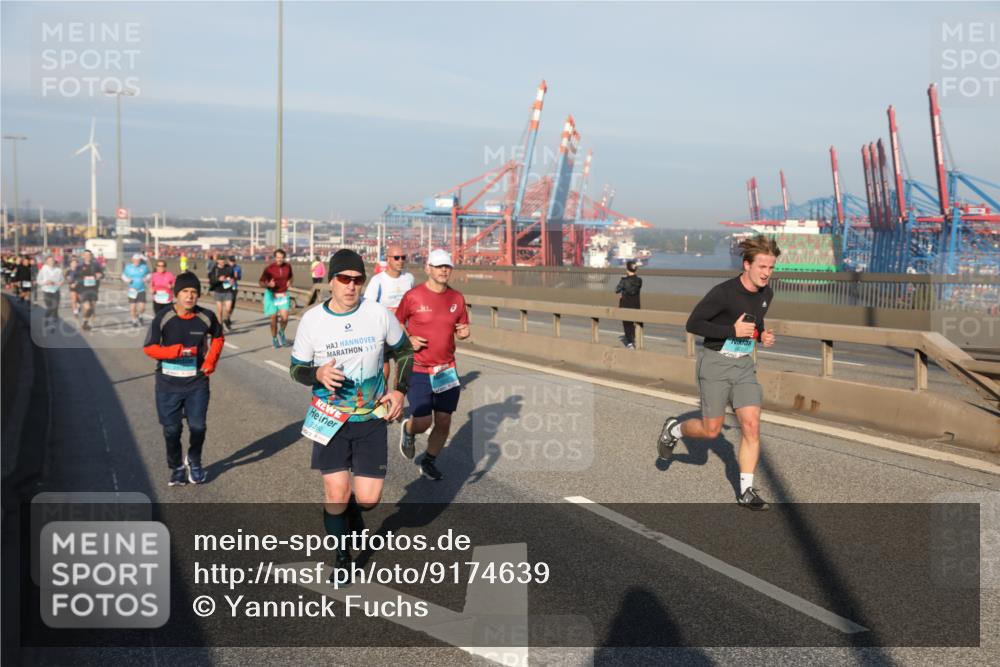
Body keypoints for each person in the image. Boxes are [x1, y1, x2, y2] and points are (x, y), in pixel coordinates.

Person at [289, 249, 412, 578]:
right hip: (329, 418)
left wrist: (400, 390)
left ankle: (353, 512)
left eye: (358, 280)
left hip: (370, 418)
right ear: (331, 281)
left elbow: (404, 351)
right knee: (336, 492)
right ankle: (342, 557)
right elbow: (296, 369)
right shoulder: (312, 320)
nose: (351, 285)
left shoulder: (378, 314)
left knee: (369, 499)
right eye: (344, 279)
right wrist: (317, 374)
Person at [657, 235, 780, 511]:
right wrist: (731, 331)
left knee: (751, 425)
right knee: (711, 431)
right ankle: (674, 429)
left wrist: (762, 336)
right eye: (762, 267)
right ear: (746, 264)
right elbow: (693, 324)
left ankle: (746, 491)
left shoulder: (766, 294)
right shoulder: (723, 293)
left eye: (771, 268)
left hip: (744, 365)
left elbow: (755, 325)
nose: (766, 273)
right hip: (715, 363)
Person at [143, 272, 224, 486]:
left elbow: (218, 337)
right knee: (172, 430)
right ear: (176, 294)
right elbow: (149, 348)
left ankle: (194, 460)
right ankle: (177, 467)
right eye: (185, 291)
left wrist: (211, 361)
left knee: (198, 427)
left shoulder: (206, 316)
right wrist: (175, 351)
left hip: (196, 381)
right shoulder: (163, 317)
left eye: (194, 292)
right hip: (168, 383)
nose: (190, 296)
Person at [395, 249, 470, 481]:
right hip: (419, 368)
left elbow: (462, 326)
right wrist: (408, 339)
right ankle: (409, 429)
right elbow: (396, 322)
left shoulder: (456, 298)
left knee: (444, 421)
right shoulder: (413, 296)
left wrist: (464, 332)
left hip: (446, 369)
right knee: (423, 421)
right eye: (438, 266)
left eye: (447, 266)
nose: (443, 270)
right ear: (428, 268)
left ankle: (429, 461)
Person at [365, 244, 415, 383]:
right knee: (384, 371)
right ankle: (383, 393)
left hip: (403, 330)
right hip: (383, 330)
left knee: (403, 369)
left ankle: (398, 392)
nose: (401, 261)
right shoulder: (377, 280)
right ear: (388, 259)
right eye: (396, 258)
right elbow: (368, 306)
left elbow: (413, 302)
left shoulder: (409, 278)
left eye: (403, 257)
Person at [259, 248, 294, 348]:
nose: (279, 259)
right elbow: (260, 282)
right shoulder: (269, 269)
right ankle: (274, 338)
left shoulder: (288, 266)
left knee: (285, 318)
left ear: (284, 258)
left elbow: (291, 277)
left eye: (281, 257)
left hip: (283, 294)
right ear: (275, 257)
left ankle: (281, 332)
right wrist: (268, 284)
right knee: (273, 319)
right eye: (278, 257)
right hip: (271, 295)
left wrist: (290, 282)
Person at [616, 260, 642, 349]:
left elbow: (617, 290)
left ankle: (630, 342)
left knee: (627, 324)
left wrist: (623, 289)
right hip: (636, 304)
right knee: (636, 322)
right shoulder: (639, 280)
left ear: (627, 269)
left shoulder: (623, 280)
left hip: (625, 304)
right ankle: (636, 338)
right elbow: (633, 291)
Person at [76, 250, 104, 332]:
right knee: (87, 307)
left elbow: (102, 274)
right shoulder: (79, 266)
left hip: (94, 289)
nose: (87, 256)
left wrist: (100, 275)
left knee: (92, 308)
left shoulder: (96, 265)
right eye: (86, 255)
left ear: (91, 256)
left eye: (89, 255)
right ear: (83, 256)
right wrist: (83, 278)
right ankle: (86, 321)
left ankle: (86, 322)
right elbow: (76, 276)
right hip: (83, 289)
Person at [122, 253, 151, 327]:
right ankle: (134, 320)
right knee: (133, 307)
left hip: (141, 289)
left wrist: (146, 278)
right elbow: (123, 275)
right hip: (132, 290)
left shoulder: (144, 267)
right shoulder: (128, 267)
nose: (136, 262)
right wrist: (127, 280)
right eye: (135, 260)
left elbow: (149, 274)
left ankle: (140, 316)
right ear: (132, 260)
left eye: (138, 260)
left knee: (142, 307)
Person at [207, 255, 236, 331]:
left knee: (228, 309)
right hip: (218, 291)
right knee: (219, 311)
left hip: (228, 290)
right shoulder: (215, 270)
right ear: (217, 261)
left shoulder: (229, 268)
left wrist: (232, 280)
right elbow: (211, 281)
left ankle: (226, 320)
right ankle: (220, 327)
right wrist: (219, 280)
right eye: (221, 260)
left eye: (223, 259)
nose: (222, 261)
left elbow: (232, 277)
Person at [37, 255, 64, 332]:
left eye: (52, 260)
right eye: (49, 261)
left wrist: (59, 283)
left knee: (55, 306)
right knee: (50, 308)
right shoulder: (43, 269)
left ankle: (54, 317)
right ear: (46, 262)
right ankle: (46, 321)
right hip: (47, 291)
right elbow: (38, 281)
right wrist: (46, 282)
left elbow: (62, 280)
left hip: (56, 290)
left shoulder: (58, 270)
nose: (51, 262)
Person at [227, 255, 242, 328]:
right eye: (231, 261)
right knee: (227, 304)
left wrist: (236, 276)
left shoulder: (237, 268)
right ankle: (226, 318)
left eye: (233, 261)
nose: (232, 262)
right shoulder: (225, 267)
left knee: (232, 304)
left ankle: (228, 317)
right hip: (226, 287)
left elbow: (240, 277)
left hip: (234, 287)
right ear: (228, 261)